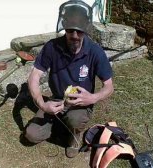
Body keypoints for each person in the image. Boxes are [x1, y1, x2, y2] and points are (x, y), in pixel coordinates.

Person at [24, 0, 114, 158]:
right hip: (56, 100)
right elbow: (34, 76)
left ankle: (74, 136)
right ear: (64, 26)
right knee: (31, 135)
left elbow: (109, 87)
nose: (74, 36)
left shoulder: (95, 51)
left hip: (80, 104)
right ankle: (59, 123)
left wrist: (92, 98)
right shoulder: (52, 47)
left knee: (75, 119)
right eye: (70, 30)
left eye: (79, 31)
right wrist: (43, 105)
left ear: (86, 29)